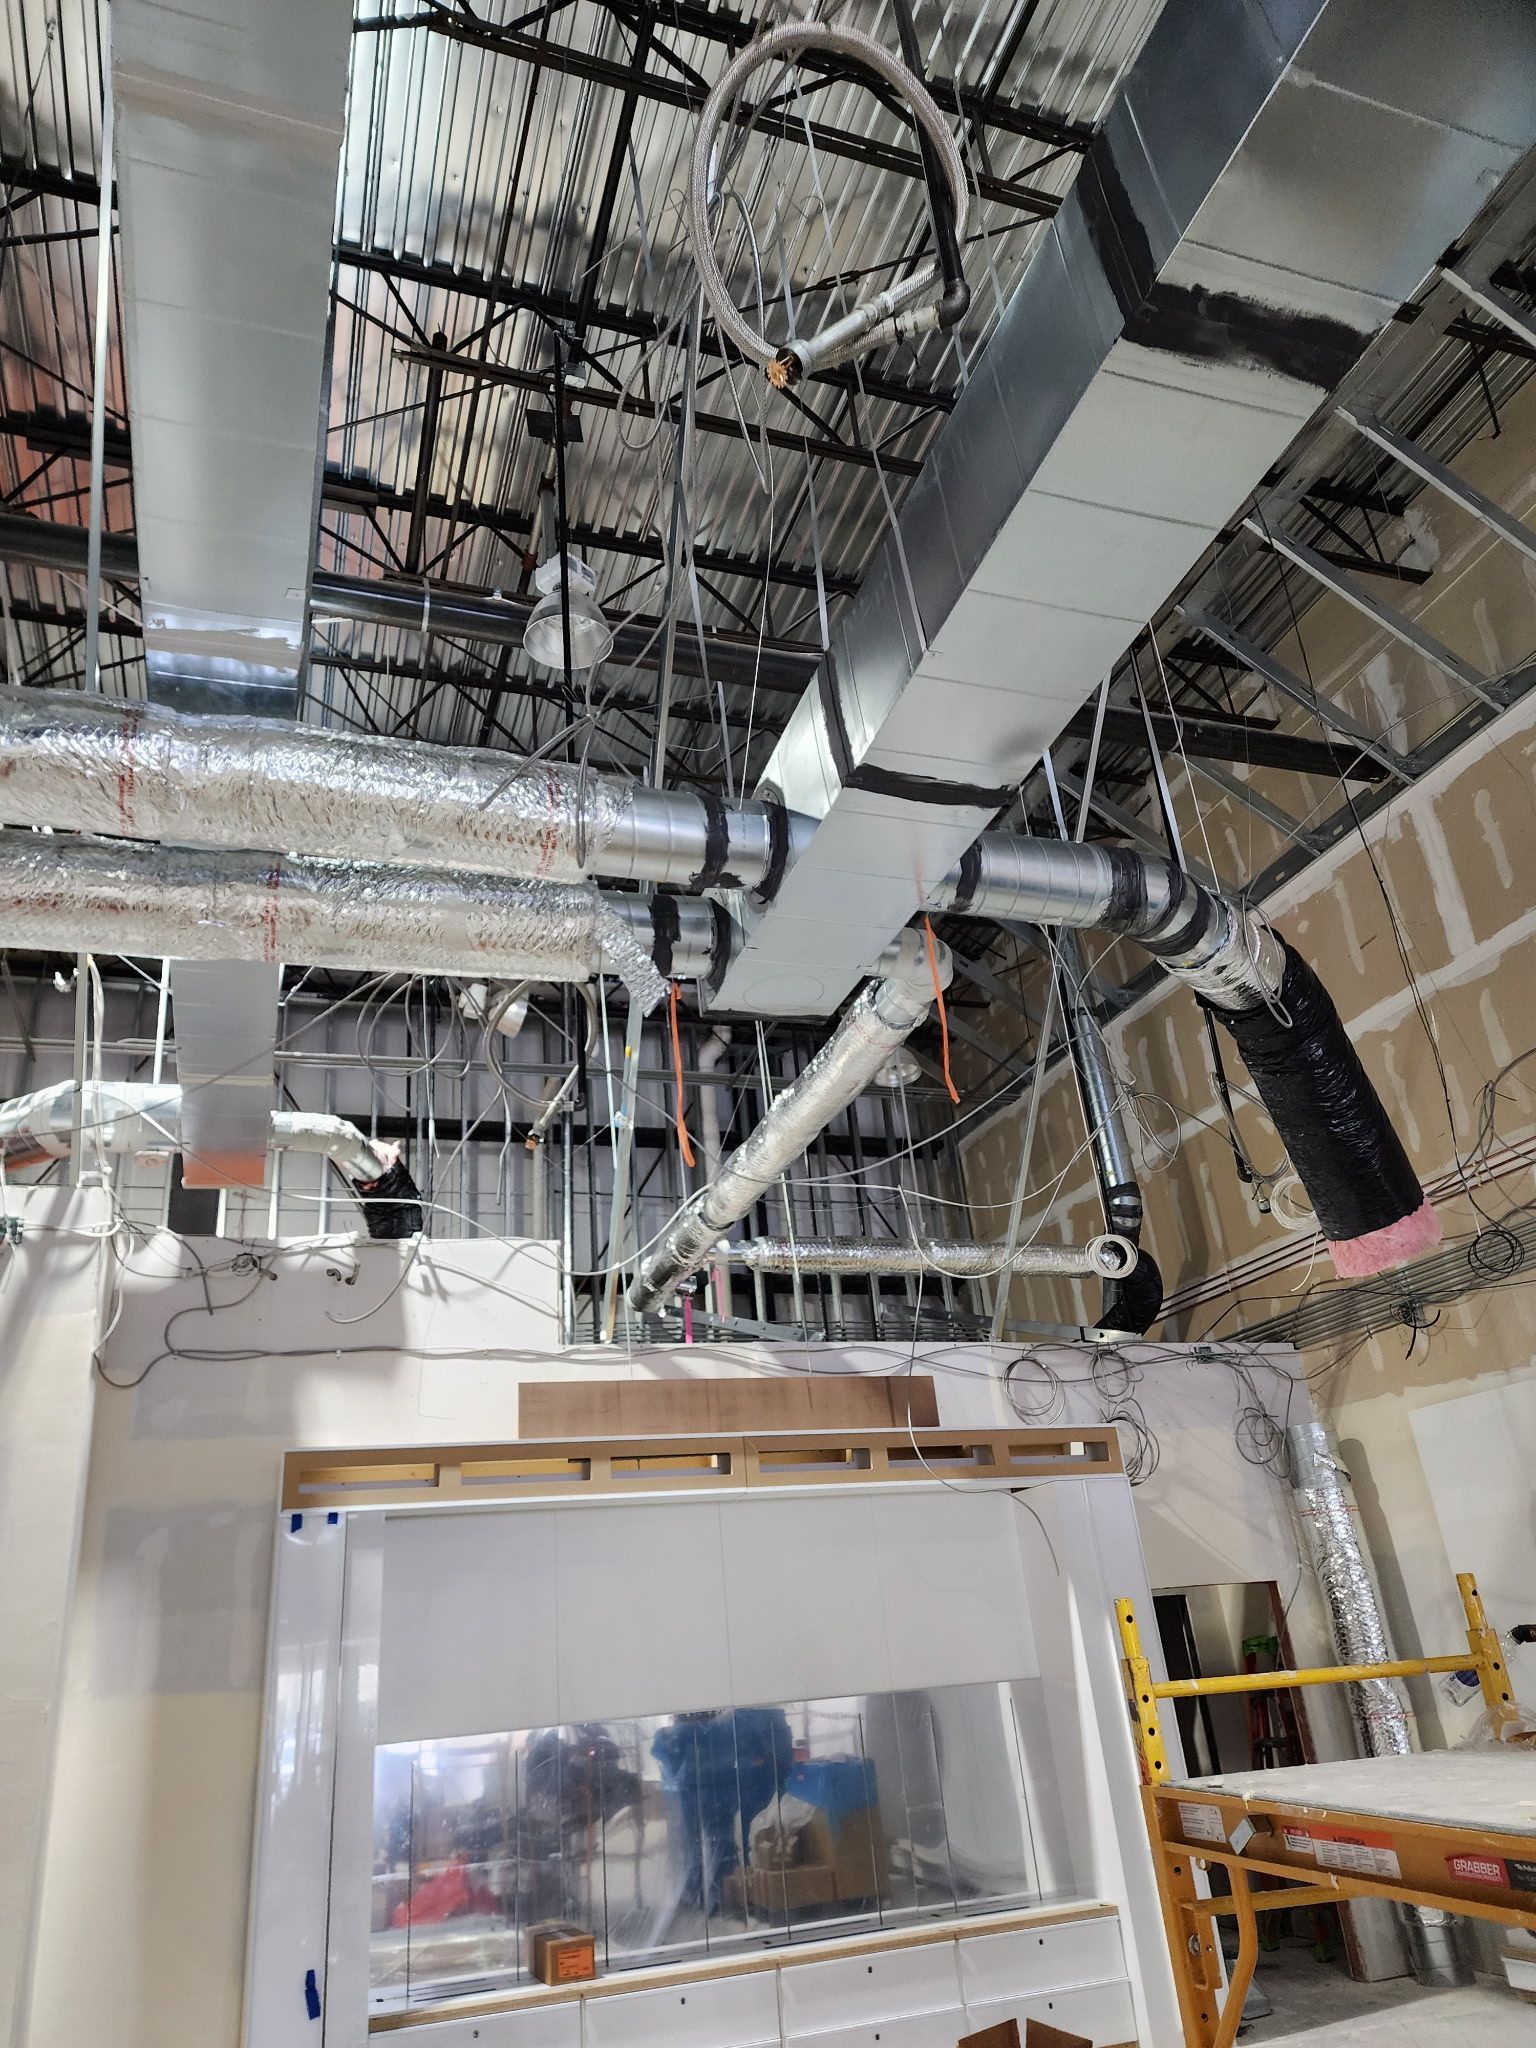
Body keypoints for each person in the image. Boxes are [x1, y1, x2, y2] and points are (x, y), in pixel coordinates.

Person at [653, 1706, 792, 1911]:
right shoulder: (720, 1724)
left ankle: (718, 1892)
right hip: (713, 1784)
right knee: (715, 1837)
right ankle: (715, 1891)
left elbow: (671, 1757)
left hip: (716, 1784)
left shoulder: (728, 1722)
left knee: (717, 1837)